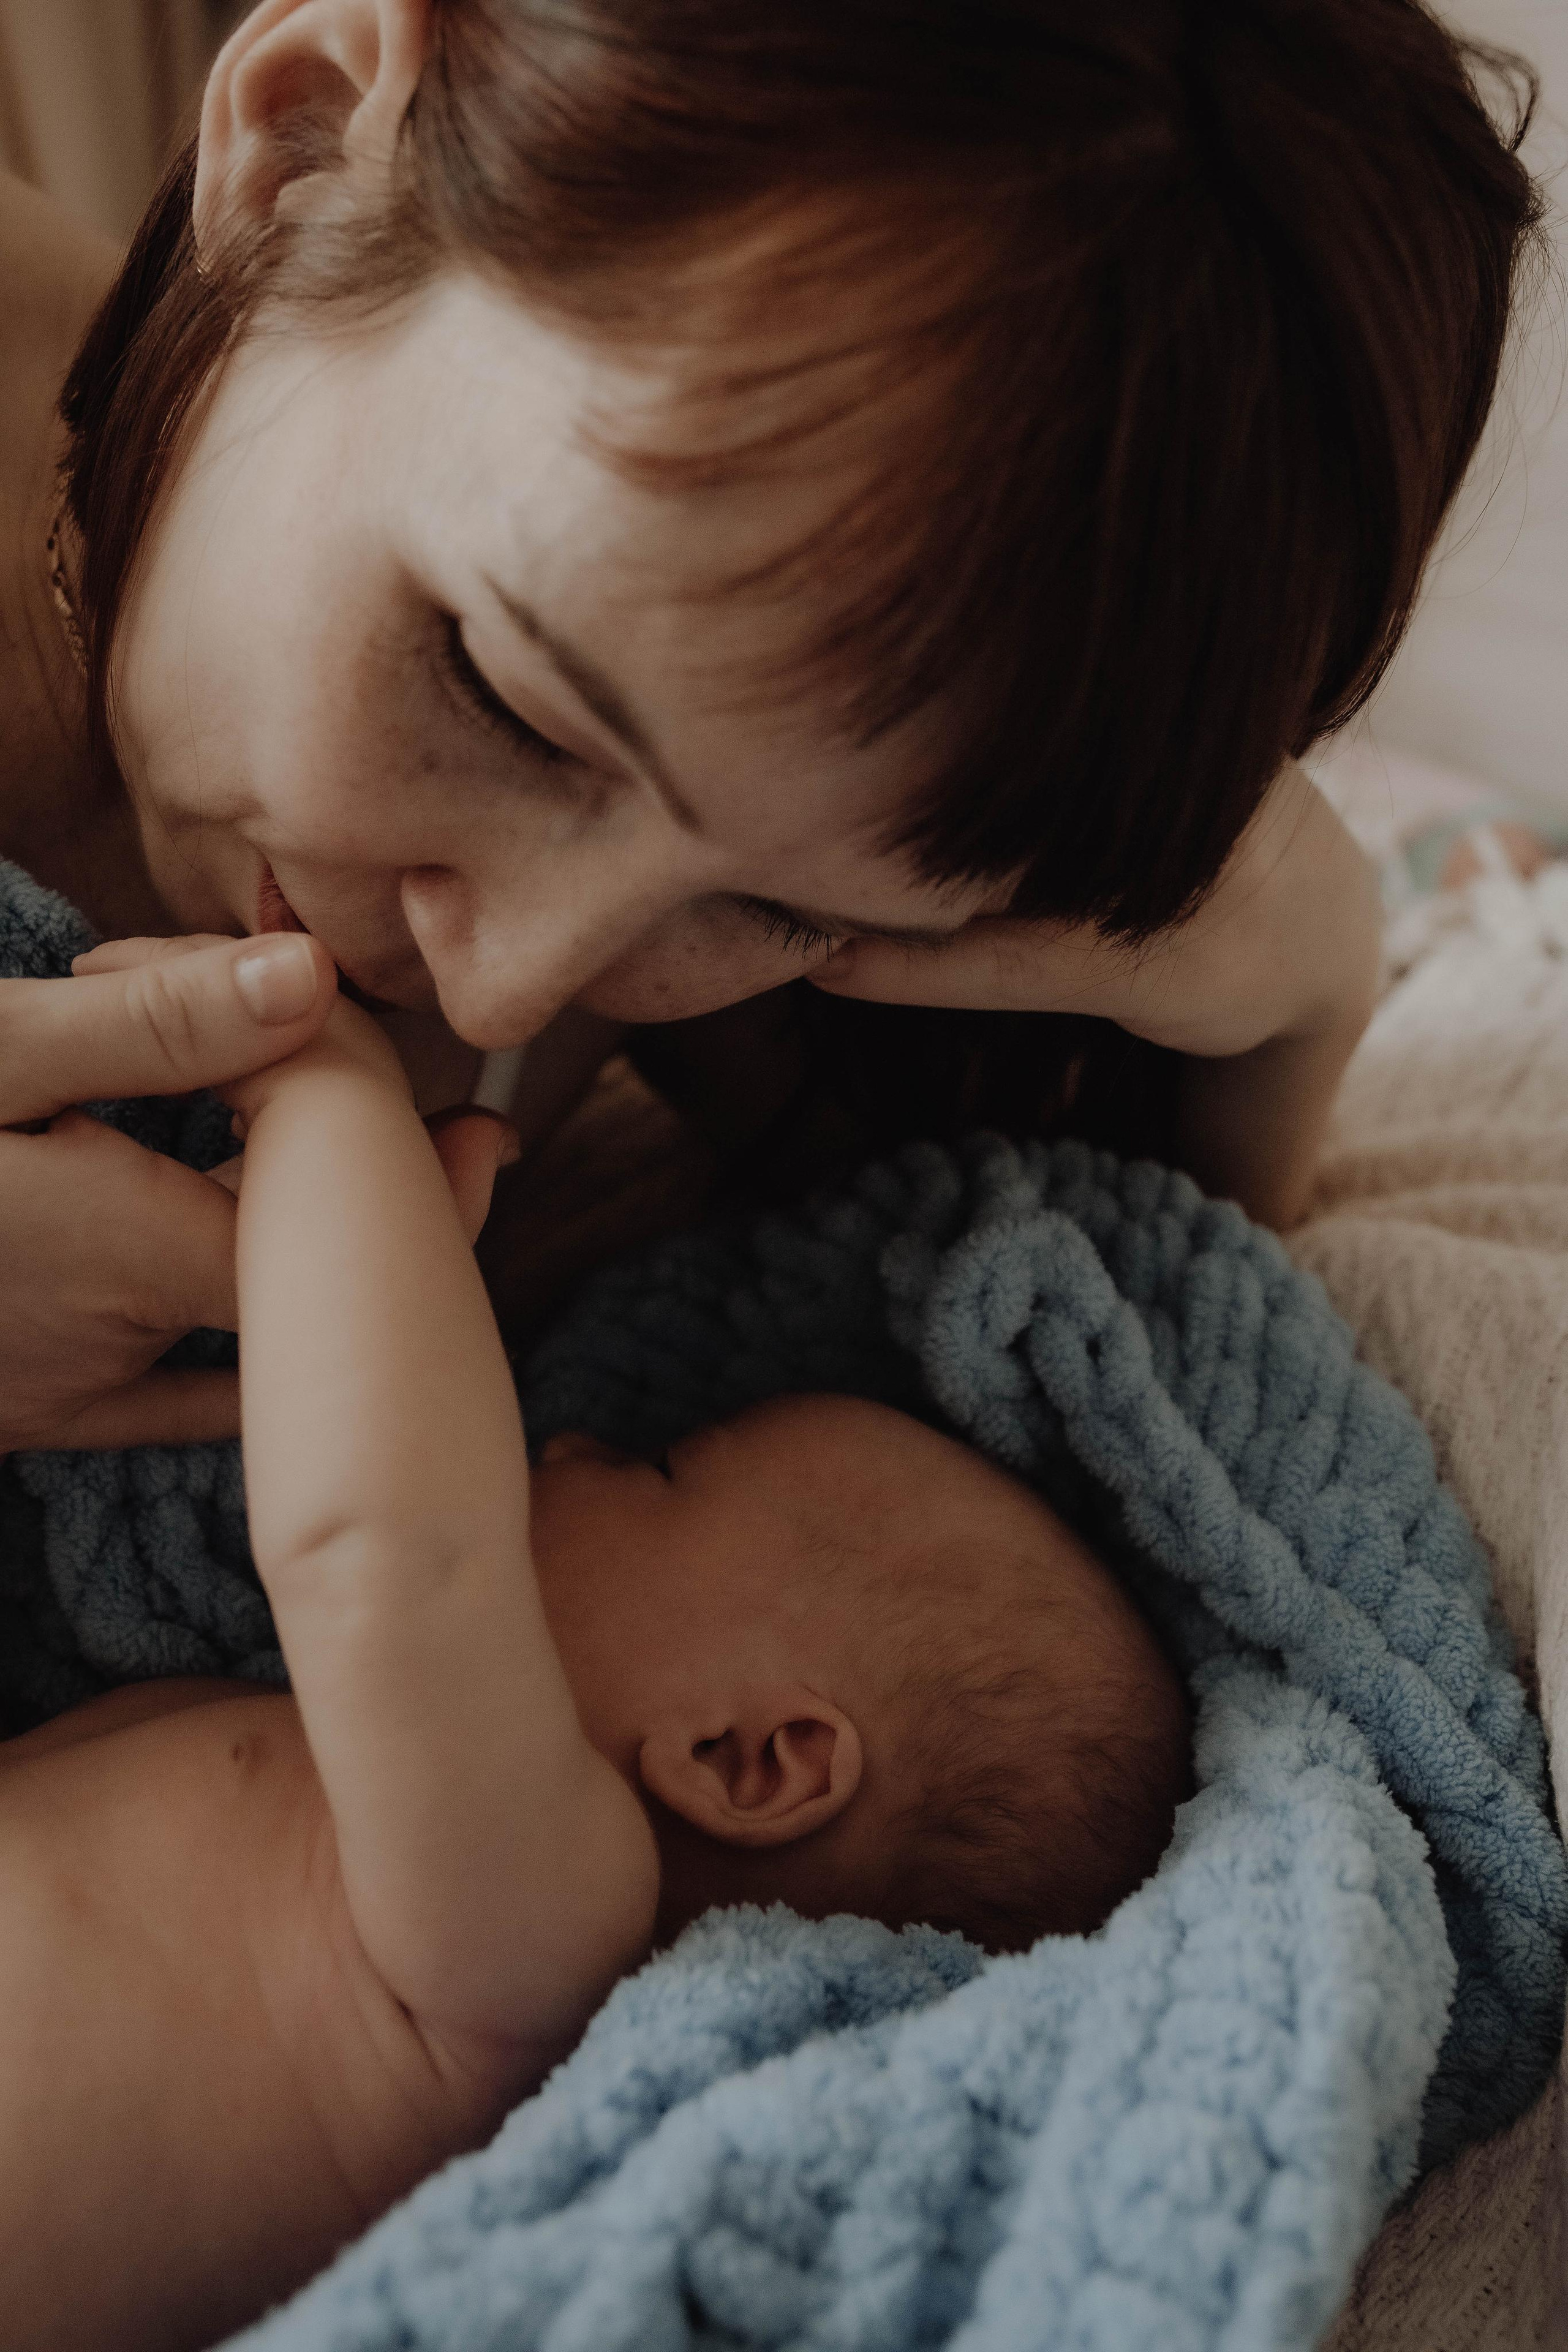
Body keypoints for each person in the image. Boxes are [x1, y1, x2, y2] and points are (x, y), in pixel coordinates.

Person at [0, 0, 1541, 1449]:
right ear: (303, 146)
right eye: (511, 703)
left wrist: (1298, 1008)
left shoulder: (739, 938)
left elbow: (1051, 1372)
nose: (507, 995)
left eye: (782, 910)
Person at [0, 973, 1189, 2352]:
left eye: (657, 1471)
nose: (565, 1448)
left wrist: (333, 1109)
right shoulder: (353, 1822)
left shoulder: (541, 1930)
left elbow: (385, 1550)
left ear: (747, 1761)